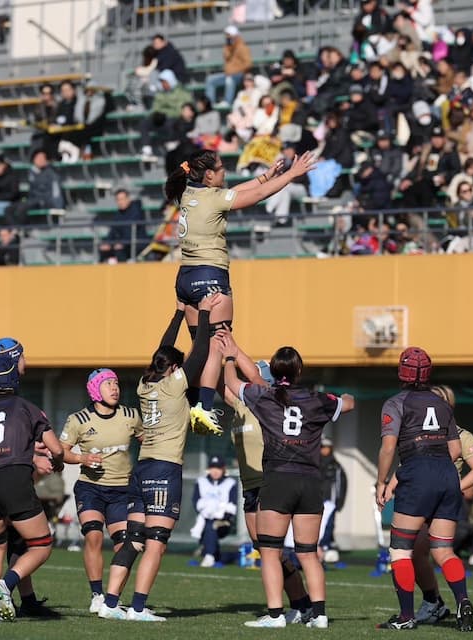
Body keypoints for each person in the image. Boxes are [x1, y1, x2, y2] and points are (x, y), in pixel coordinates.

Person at [164, 148, 317, 436]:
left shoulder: (188, 193)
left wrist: (266, 176)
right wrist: (291, 175)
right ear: (209, 175)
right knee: (216, 344)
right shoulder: (214, 198)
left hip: (185, 278)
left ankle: (193, 400)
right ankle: (204, 407)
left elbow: (235, 192)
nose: (225, 172)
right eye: (221, 168)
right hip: (211, 275)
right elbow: (252, 197)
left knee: (201, 346)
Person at [98, 299, 217, 622]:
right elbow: (202, 350)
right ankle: (137, 608)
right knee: (156, 543)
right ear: (175, 369)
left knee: (134, 541)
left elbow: (164, 348)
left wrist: (179, 312)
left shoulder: (144, 384)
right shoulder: (174, 384)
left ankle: (110, 603)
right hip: (164, 469)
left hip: (142, 468)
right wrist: (205, 312)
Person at [222, 343, 354, 628]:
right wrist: (341, 397)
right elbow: (350, 403)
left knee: (270, 552)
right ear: (299, 371)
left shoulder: (264, 397)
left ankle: (275, 616)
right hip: (310, 482)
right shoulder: (315, 399)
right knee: (309, 553)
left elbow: (232, 383)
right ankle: (319, 615)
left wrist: (230, 357)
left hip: (278, 479)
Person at [0, 337, 65, 622]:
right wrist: (44, 458)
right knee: (37, 544)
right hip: (9, 475)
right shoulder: (12, 403)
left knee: (2, 544)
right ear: (14, 363)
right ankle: (5, 588)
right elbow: (5, 445)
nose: (26, 362)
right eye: (23, 357)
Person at [215, 332, 315, 623]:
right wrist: (210, 347)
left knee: (272, 550)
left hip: (270, 482)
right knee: (266, 549)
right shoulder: (241, 405)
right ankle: (302, 605)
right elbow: (220, 384)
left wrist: (233, 353)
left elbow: (255, 382)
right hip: (251, 485)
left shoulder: (269, 402)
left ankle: (292, 607)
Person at [376, 348, 473, 631]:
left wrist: (381, 482)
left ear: (400, 372)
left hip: (417, 473)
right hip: (446, 474)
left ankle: (406, 616)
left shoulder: (396, 403)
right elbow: (455, 449)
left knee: (400, 550)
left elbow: (389, 447)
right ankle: (463, 600)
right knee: (444, 550)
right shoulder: (442, 404)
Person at [391, 384, 473, 626]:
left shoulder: (461, 435)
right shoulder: (420, 432)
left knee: (404, 550)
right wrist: (391, 484)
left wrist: (458, 487)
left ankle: (421, 608)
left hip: (431, 498)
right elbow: (406, 465)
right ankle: (445, 601)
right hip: (438, 496)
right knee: (429, 553)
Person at [60, 368, 143, 614]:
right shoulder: (79, 420)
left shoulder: (131, 415)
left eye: (116, 383)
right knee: (94, 536)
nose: (115, 388)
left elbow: (147, 441)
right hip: (90, 489)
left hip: (122, 490)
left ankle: (113, 598)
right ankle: (97, 594)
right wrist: (82, 458)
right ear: (95, 389)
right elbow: (62, 451)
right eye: (108, 384)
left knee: (125, 546)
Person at [191, 455, 238, 568]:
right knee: (209, 526)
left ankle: (209, 556)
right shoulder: (201, 482)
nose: (215, 471)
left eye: (218, 468)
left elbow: (232, 505)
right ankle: (215, 554)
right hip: (204, 520)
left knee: (211, 526)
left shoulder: (230, 483)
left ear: (223, 469)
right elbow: (196, 502)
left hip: (223, 522)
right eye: (212, 468)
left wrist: (224, 517)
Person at [205, 25, 252, 107]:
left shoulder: (242, 48)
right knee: (210, 80)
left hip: (239, 75)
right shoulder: (227, 47)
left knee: (230, 80)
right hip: (228, 74)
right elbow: (226, 57)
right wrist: (229, 48)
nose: (228, 38)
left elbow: (248, 63)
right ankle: (209, 103)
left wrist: (235, 71)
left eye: (229, 36)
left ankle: (227, 101)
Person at [317, 437, 347, 561]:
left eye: (327, 448)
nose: (324, 450)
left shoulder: (336, 466)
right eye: (322, 447)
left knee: (329, 525)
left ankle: (325, 546)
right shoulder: (315, 464)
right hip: (316, 499)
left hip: (330, 501)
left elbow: (342, 484)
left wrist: (339, 501)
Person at [99, 189, 146, 263]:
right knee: (103, 250)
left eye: (122, 199)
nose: (120, 202)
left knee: (119, 251)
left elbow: (130, 231)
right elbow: (113, 231)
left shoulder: (136, 212)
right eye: (118, 200)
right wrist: (107, 243)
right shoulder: (118, 214)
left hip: (136, 244)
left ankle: (123, 273)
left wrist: (122, 243)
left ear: (128, 199)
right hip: (123, 243)